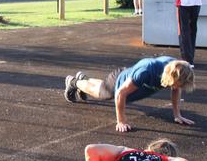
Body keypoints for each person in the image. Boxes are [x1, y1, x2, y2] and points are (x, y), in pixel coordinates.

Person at [64, 56, 195, 133]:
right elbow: (120, 93)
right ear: (171, 77)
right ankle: (74, 82)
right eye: (178, 84)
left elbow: (176, 88)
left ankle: (83, 78)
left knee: (102, 85)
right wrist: (121, 121)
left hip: (130, 78)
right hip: (118, 82)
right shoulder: (147, 71)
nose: (178, 88)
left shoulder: (176, 68)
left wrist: (177, 115)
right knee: (100, 93)